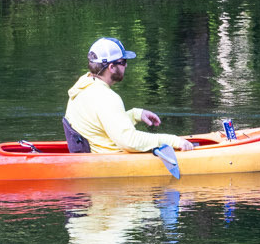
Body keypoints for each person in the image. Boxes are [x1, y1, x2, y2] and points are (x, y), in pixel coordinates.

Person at [63, 37, 193, 155]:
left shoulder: (83, 85)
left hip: (92, 157)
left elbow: (104, 123)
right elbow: (129, 141)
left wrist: (135, 114)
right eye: (123, 61)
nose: (126, 65)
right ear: (111, 67)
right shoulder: (106, 98)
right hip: (109, 163)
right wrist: (173, 141)